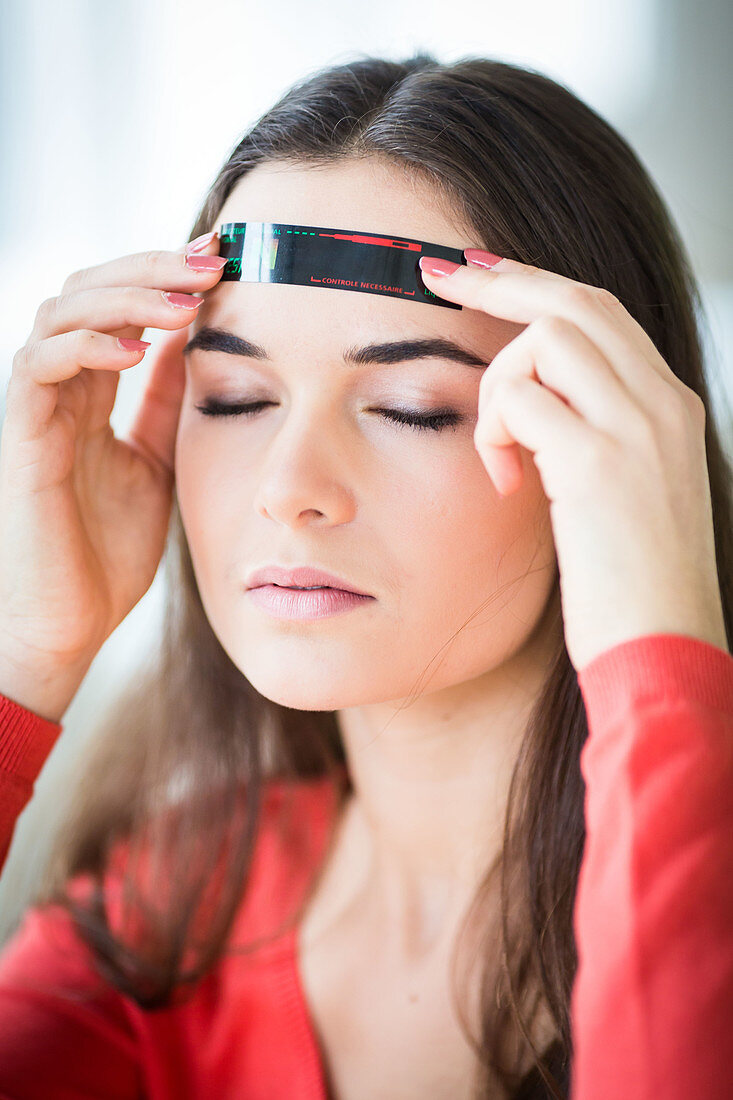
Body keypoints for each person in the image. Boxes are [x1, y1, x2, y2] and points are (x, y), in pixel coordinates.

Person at [0, 52, 732, 1100]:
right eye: (238, 398)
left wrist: (661, 654)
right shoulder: (163, 925)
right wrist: (27, 650)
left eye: (411, 408)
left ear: (611, 447)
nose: (287, 489)